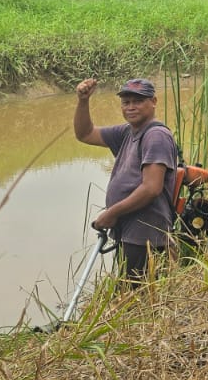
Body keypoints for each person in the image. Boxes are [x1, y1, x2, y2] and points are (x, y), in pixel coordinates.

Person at [72, 77, 180, 279]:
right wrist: (83, 101)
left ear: (154, 101)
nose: (131, 107)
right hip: (130, 231)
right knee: (130, 295)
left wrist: (111, 213)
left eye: (138, 101)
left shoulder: (155, 136)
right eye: (126, 102)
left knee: (135, 297)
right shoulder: (127, 132)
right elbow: (85, 134)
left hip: (144, 234)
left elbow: (151, 188)